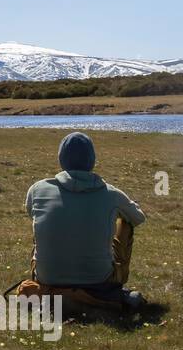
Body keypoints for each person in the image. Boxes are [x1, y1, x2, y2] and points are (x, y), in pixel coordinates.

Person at [24, 132, 146, 311]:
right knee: (126, 223)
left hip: (46, 277)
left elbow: (30, 213)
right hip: (99, 279)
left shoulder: (37, 189)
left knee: (41, 229)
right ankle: (109, 288)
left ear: (61, 159)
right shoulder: (112, 194)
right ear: (92, 160)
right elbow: (138, 218)